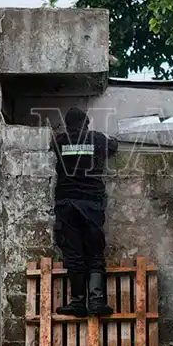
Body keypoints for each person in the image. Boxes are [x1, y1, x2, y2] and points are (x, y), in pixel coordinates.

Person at [50, 106, 118, 317]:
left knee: (74, 255)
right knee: (95, 252)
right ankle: (96, 301)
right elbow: (113, 146)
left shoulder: (59, 141)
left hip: (67, 205)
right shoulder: (96, 139)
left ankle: (78, 302)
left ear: (67, 124)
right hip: (91, 204)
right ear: (86, 123)